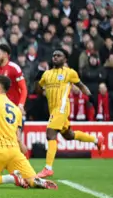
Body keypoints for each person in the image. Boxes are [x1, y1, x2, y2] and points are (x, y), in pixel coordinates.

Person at [35, 49, 105, 178]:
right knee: (68, 135)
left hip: (61, 108)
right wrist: (37, 79)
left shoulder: (69, 72)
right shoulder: (47, 74)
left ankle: (48, 168)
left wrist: (90, 96)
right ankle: (96, 140)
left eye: (59, 55)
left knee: (50, 134)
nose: (55, 57)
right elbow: (39, 91)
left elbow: (81, 85)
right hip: (53, 109)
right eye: (54, 55)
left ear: (65, 59)